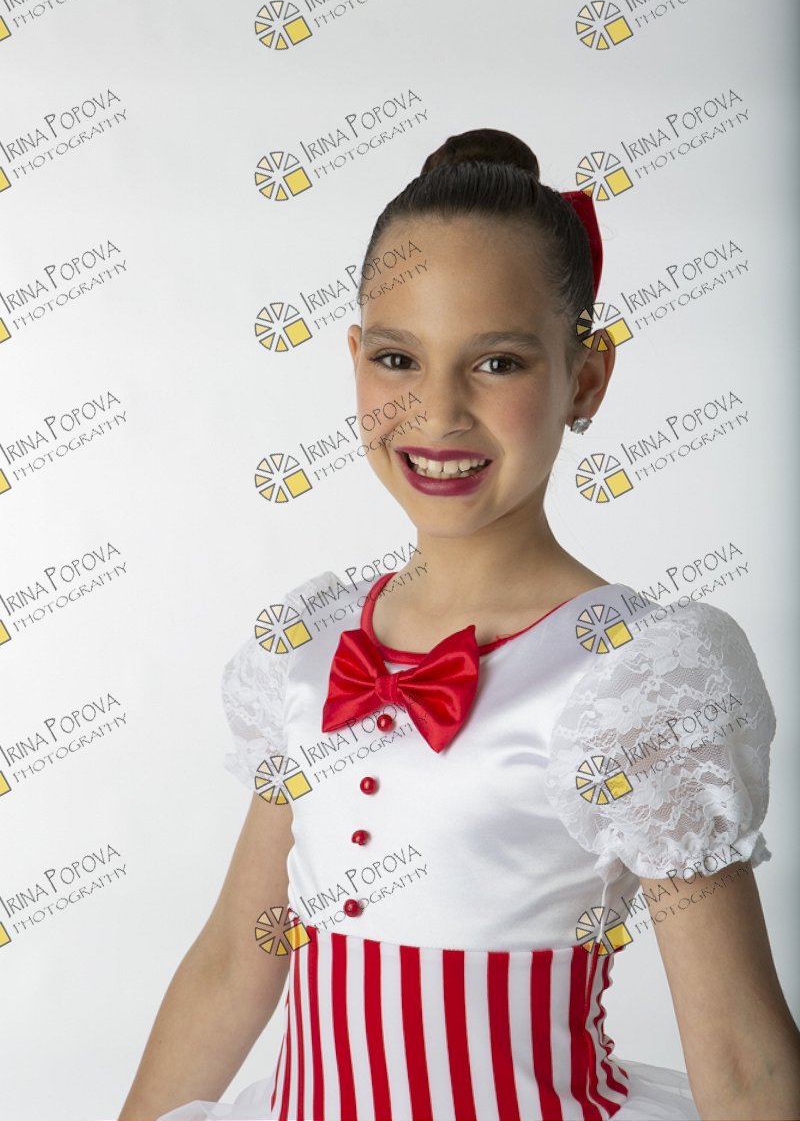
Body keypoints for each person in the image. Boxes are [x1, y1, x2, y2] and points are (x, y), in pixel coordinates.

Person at [118, 129, 800, 1121]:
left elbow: (740, 1056)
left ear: (585, 378)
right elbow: (234, 957)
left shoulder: (637, 676)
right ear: (355, 360)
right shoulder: (304, 652)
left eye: (497, 361)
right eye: (397, 357)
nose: (435, 411)